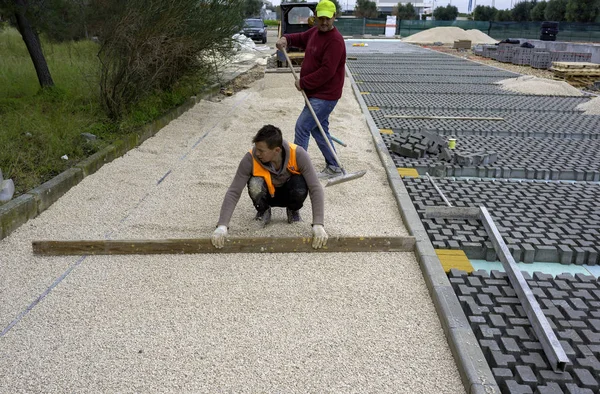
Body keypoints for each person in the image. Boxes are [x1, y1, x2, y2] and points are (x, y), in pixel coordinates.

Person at [211, 125, 328, 249]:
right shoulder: (250, 159)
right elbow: (234, 191)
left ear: (276, 150)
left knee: (300, 182)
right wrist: (222, 226)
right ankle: (263, 211)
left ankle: (293, 210)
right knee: (255, 183)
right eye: (256, 148)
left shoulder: (298, 154)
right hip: (266, 195)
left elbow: (315, 188)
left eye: (261, 150)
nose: (257, 153)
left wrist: (318, 225)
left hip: (289, 193)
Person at [275, 0, 346, 179]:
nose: (323, 22)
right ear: (315, 17)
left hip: (325, 95)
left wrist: (304, 82)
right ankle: (334, 166)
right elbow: (300, 38)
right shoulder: (315, 32)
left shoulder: (335, 41)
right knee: (318, 128)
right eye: (320, 18)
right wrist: (287, 39)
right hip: (315, 93)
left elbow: (327, 72)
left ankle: (297, 171)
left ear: (334, 18)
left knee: (302, 126)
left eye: (327, 19)